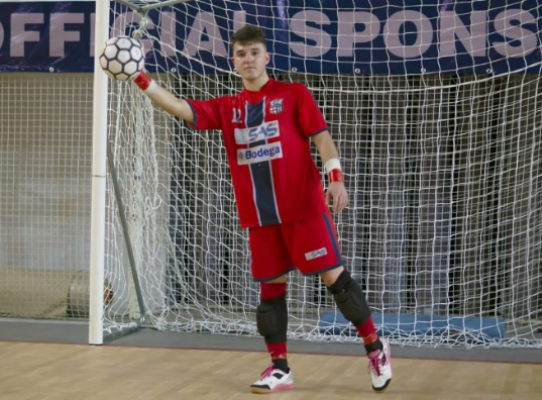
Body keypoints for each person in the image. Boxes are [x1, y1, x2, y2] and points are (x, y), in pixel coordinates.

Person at [110, 25, 392, 394]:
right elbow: (179, 107)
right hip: (260, 218)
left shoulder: (293, 94)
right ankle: (280, 368)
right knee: (270, 293)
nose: (248, 59)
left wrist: (335, 178)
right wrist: (139, 77)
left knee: (336, 282)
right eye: (241, 54)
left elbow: (321, 137)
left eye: (254, 52)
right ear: (234, 60)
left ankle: (376, 349)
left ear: (266, 57)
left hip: (304, 210)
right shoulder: (228, 108)